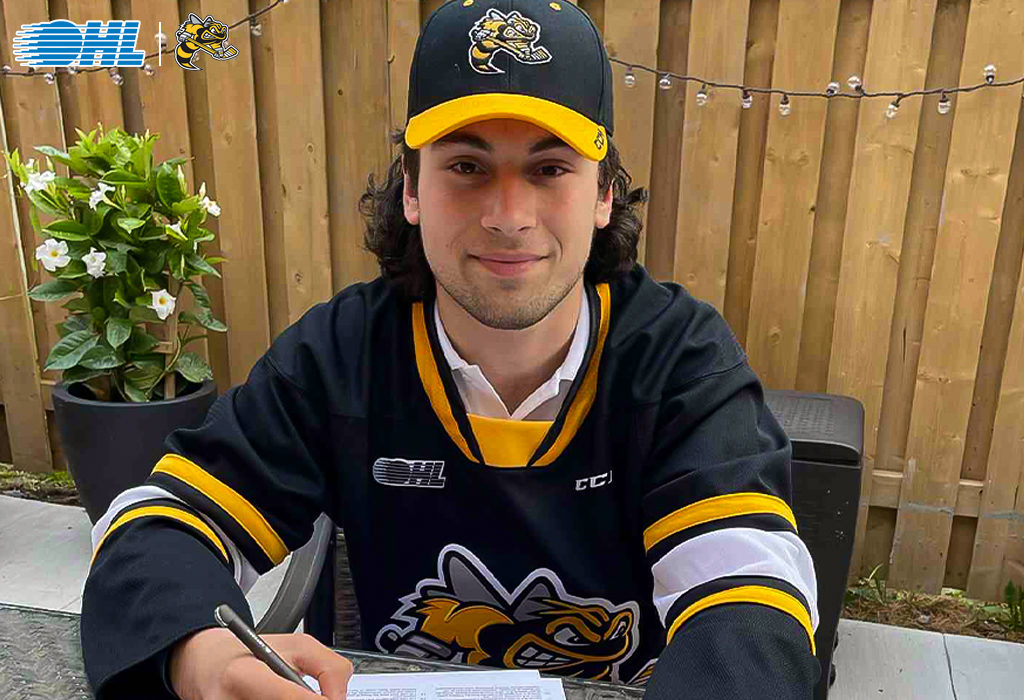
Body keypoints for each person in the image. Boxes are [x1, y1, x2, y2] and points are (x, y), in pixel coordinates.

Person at [81, 1, 820, 698]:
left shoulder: (679, 360)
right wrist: (200, 657)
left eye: (549, 168)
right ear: (411, 189)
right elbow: (159, 523)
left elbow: (750, 595)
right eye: (467, 166)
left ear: (604, 195)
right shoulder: (342, 354)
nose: (508, 216)